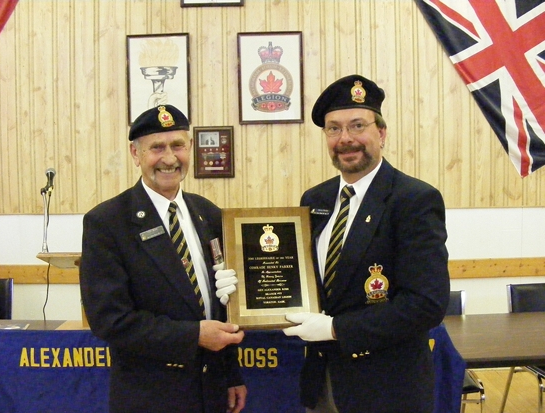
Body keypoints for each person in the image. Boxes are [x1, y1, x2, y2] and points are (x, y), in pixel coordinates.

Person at [217, 75, 450, 413]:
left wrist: (336, 328)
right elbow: (296, 280)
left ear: (381, 133)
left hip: (388, 388)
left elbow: (426, 304)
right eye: (334, 129)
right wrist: (242, 288)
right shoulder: (316, 200)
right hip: (322, 382)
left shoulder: (413, 200)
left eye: (357, 126)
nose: (346, 139)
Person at [80, 104, 247, 413]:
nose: (169, 158)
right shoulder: (107, 222)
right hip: (149, 396)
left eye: (178, 146)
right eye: (157, 147)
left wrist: (230, 375)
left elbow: (223, 305)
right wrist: (194, 335)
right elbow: (109, 320)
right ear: (135, 153)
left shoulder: (207, 213)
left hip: (210, 392)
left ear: (190, 148)